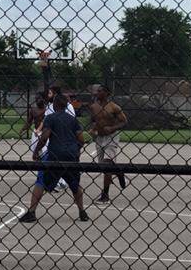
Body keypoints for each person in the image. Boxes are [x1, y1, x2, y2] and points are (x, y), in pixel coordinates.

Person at [19, 89, 88, 223]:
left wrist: (36, 151)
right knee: (75, 185)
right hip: (71, 154)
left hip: (55, 154)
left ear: (55, 105)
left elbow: (44, 136)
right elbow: (81, 140)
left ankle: (31, 212)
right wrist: (75, 149)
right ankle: (82, 211)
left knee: (40, 182)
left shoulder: (51, 117)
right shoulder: (72, 120)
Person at [87, 84, 128, 202]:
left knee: (107, 163)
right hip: (99, 138)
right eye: (97, 91)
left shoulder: (114, 107)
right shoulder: (93, 107)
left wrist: (112, 128)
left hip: (111, 137)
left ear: (107, 93)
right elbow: (94, 121)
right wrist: (93, 129)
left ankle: (105, 194)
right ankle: (118, 171)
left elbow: (124, 122)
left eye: (100, 91)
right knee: (103, 167)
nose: (97, 93)